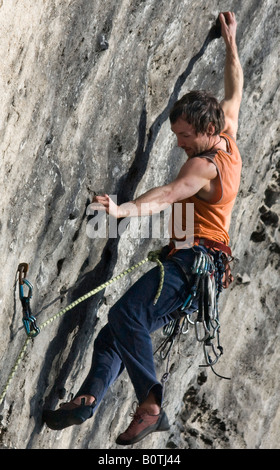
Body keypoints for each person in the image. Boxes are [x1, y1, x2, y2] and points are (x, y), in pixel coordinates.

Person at [43, 11, 243, 445]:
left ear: (206, 131)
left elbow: (169, 194)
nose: (179, 143)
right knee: (115, 335)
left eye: (185, 135)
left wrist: (122, 210)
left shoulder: (204, 166)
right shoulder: (228, 135)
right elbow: (237, 87)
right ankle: (89, 400)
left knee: (124, 313)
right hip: (201, 269)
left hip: (192, 262)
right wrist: (229, 44)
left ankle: (150, 405)